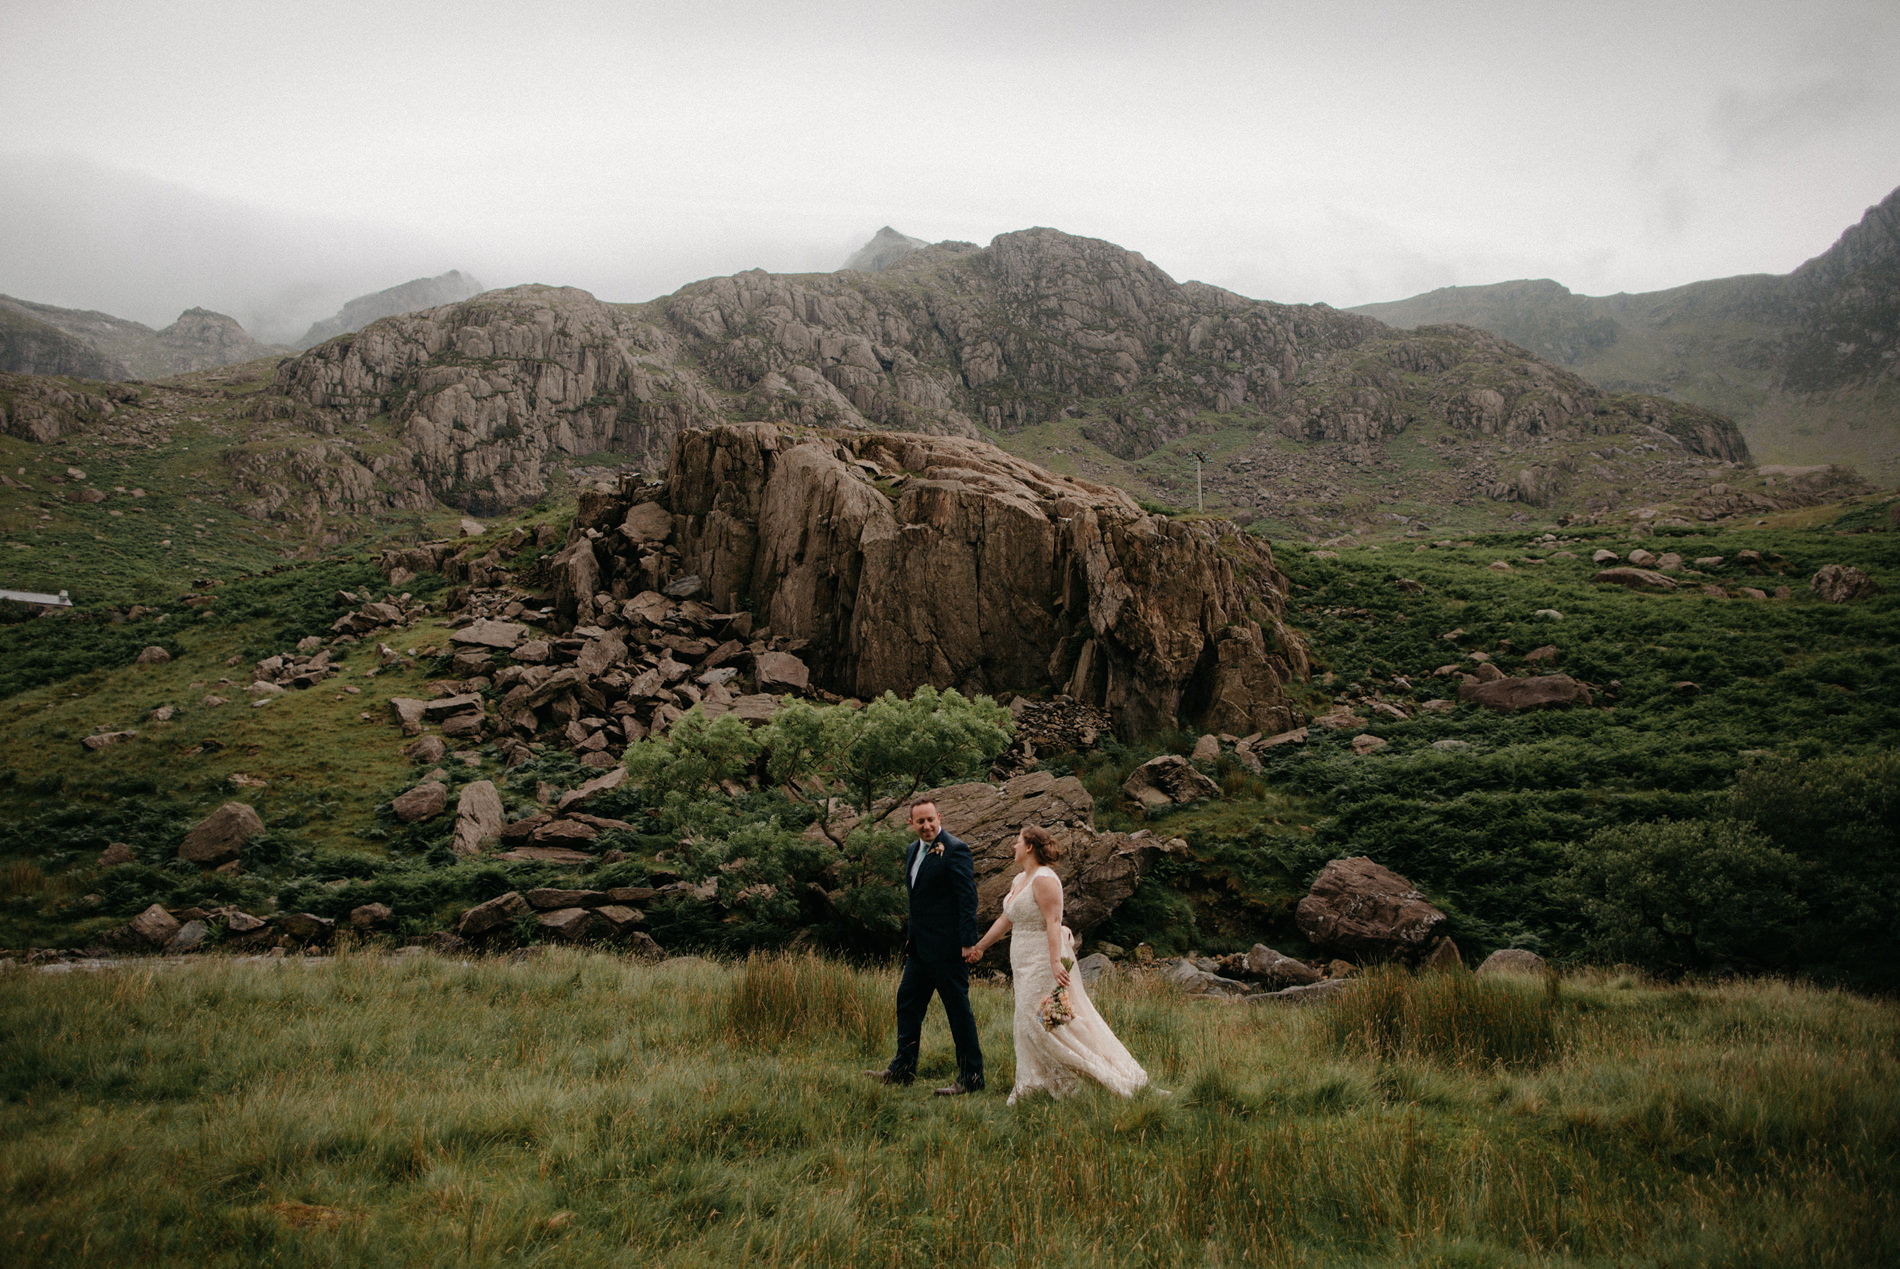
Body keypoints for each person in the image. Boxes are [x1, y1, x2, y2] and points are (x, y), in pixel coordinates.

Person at [966, 824, 1149, 1104]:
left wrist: (1054, 962)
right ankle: (1039, 1081)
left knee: (1044, 1019)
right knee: (1027, 1020)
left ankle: (1091, 1076)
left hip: (1042, 957)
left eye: (1017, 842)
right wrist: (980, 947)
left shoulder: (1045, 879)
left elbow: (1053, 921)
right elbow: (1006, 920)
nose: (1013, 847)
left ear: (1029, 847)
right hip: (1021, 957)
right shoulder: (1019, 880)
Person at [865, 799, 985, 1095]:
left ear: (939, 817)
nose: (927, 826)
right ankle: (902, 1069)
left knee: (958, 1012)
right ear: (912, 824)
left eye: (931, 819)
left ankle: (971, 1078)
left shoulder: (956, 849)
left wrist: (968, 943)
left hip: (948, 950)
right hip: (918, 949)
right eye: (920, 822)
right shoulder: (911, 851)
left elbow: (967, 899)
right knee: (907, 1003)